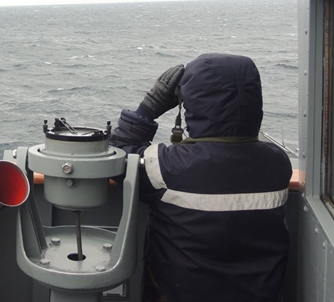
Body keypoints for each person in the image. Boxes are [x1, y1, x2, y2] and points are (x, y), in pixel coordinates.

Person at [110, 53, 291, 302]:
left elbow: (119, 156)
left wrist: (149, 108)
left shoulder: (167, 167)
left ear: (194, 105)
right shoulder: (278, 163)